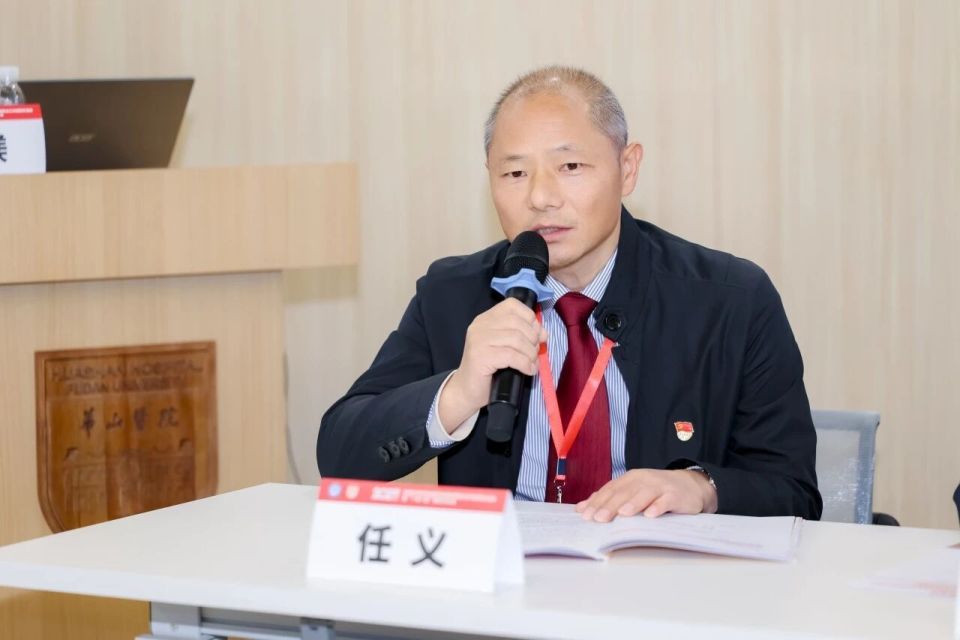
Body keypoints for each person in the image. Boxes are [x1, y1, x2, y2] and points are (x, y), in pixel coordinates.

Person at [317, 66, 822, 522]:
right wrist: (459, 392)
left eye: (571, 167)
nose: (541, 197)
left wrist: (701, 487)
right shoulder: (454, 296)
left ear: (628, 169)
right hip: (505, 581)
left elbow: (793, 491)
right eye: (515, 173)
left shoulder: (731, 301)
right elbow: (340, 455)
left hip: (657, 579)